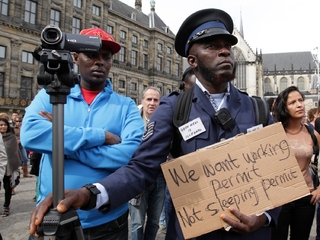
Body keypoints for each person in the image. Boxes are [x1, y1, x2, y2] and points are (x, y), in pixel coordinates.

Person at [28, 9, 281, 240]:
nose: (225, 51)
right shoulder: (173, 109)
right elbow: (140, 169)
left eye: (227, 46)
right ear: (192, 60)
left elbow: (278, 171)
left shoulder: (257, 107)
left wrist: (264, 217)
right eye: (213, 46)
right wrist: (88, 194)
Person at [21, 28, 144, 239]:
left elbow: (130, 155)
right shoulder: (50, 94)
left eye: (106, 57)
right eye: (92, 55)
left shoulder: (126, 106)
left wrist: (64, 146)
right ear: (76, 57)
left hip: (108, 223)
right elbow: (31, 134)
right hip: (52, 219)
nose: (100, 62)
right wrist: (101, 137)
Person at [272, 86, 320, 240]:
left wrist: (319, 188)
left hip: (306, 196)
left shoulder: (313, 133)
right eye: (292, 102)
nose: (299, 104)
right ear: (283, 108)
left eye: (301, 100)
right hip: (280, 197)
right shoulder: (273, 133)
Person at [129, 86, 165, 240]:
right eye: (148, 99)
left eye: (155, 100)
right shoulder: (132, 120)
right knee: (136, 222)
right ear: (142, 101)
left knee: (154, 221)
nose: (152, 103)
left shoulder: (166, 121)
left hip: (160, 178)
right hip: (138, 177)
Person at [0, 118, 21, 217]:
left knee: (7, 188)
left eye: (4, 125)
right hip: (0, 167)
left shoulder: (11, 138)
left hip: (8, 168)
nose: (3, 127)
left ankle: (6, 207)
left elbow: (15, 153)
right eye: (0, 125)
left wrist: (15, 166)